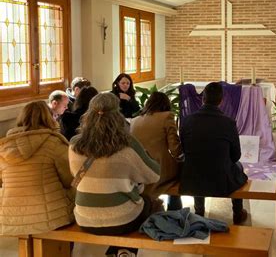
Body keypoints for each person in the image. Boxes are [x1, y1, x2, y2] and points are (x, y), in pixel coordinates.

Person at [69, 92, 160, 257]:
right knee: (150, 202)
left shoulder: (74, 144)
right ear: (118, 116)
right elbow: (153, 175)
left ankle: (116, 250)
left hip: (84, 218)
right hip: (123, 219)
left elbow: (75, 174)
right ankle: (126, 250)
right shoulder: (128, 144)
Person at [0, 101, 74, 235]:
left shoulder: (5, 147)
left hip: (11, 216)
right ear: (49, 117)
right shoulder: (55, 142)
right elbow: (69, 180)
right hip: (52, 216)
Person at [179, 82, 248, 224]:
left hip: (192, 178)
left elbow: (185, 150)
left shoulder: (187, 121)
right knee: (238, 167)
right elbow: (236, 156)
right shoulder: (228, 122)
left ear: (203, 99)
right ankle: (237, 213)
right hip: (220, 179)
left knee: (197, 162)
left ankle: (199, 211)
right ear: (221, 101)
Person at [130, 91, 184, 211]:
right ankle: (175, 212)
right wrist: (181, 158)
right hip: (160, 170)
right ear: (166, 104)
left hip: (139, 170)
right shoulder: (167, 116)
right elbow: (174, 148)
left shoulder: (135, 121)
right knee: (179, 174)